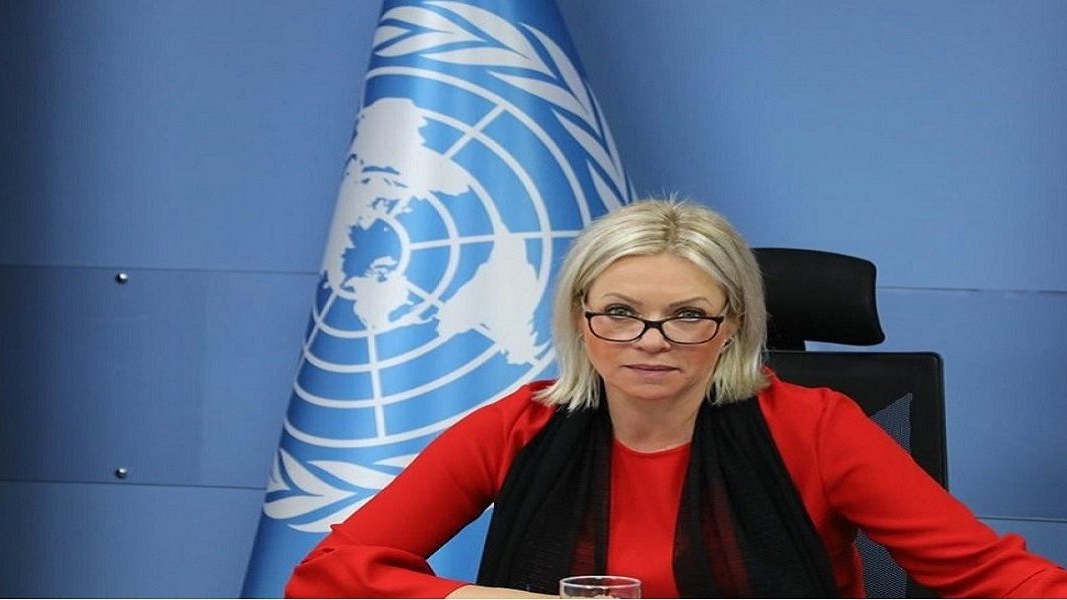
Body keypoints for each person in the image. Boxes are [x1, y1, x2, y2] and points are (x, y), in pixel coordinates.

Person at [285, 197, 1067, 598]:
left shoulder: (817, 428)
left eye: (688, 315)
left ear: (734, 326)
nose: (651, 340)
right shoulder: (519, 426)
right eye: (620, 312)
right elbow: (327, 575)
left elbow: (1006, 580)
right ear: (579, 320)